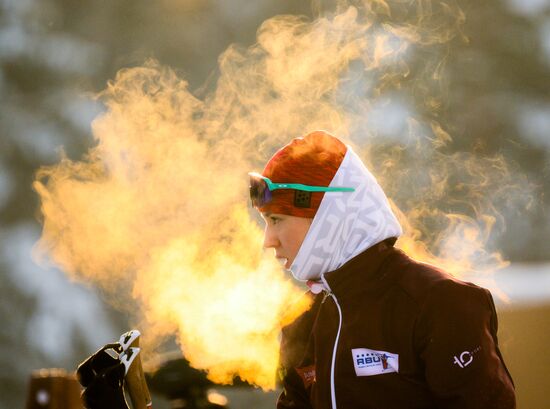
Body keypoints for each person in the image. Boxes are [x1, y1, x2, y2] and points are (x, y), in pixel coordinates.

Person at [248, 130, 516, 409]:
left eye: (276, 219)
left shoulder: (439, 303)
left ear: (329, 215)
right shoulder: (303, 321)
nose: (268, 240)